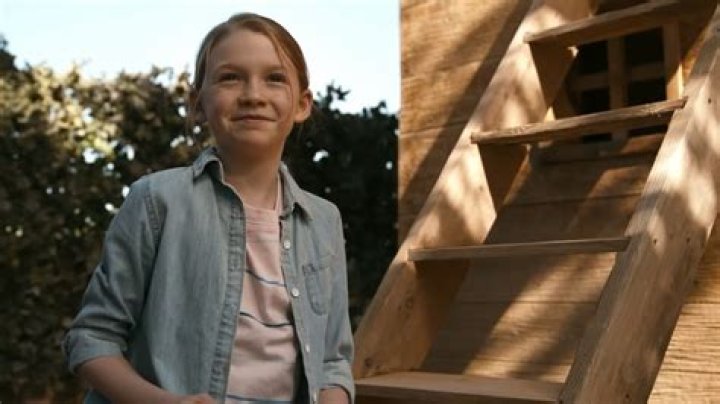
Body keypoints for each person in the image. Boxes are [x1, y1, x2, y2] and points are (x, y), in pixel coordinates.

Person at [63, 12, 354, 404]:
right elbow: (92, 339)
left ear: (302, 104)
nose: (253, 94)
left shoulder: (324, 220)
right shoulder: (156, 201)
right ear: (198, 103)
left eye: (275, 78)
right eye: (230, 77)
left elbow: (332, 362)